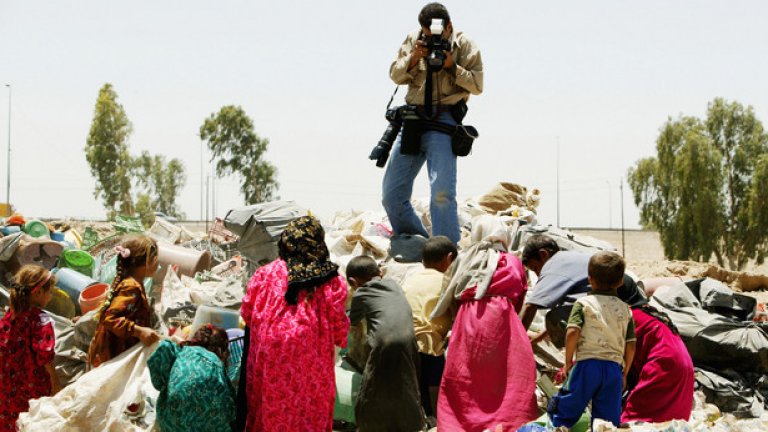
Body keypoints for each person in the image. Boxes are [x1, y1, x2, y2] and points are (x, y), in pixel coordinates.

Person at [382, 2, 483, 244]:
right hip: (413, 119)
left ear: (449, 27)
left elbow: (478, 85)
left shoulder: (465, 44)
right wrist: (415, 56)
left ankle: (444, 250)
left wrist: (452, 66)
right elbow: (395, 75)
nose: (431, 40)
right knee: (391, 194)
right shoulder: (414, 39)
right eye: (427, 36)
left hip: (444, 119)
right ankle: (418, 243)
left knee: (441, 193)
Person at [239, 215, 349, 431]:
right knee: (310, 414)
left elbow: (247, 314)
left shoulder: (264, 274)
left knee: (270, 412)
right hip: (313, 368)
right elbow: (339, 330)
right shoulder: (332, 281)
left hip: (269, 361)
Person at [430, 216, 538, 432]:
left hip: (467, 322)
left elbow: (450, 294)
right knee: (509, 377)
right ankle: (506, 424)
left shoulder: (465, 259)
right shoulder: (512, 261)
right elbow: (520, 296)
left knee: (465, 377)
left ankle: (461, 426)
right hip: (503, 322)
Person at [549, 252, 636, 429]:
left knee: (567, 407)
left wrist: (567, 362)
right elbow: (631, 344)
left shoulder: (583, 303)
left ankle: (560, 427)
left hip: (587, 366)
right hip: (613, 369)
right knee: (607, 420)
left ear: (590, 279)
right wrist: (625, 372)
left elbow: (572, 331)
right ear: (620, 282)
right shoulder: (626, 310)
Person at [347, 256, 425, 432]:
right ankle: (413, 423)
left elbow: (352, 320)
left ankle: (370, 425)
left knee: (373, 386)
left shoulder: (360, 293)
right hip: (410, 342)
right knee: (407, 384)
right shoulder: (395, 285)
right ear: (380, 273)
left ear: (353, 282)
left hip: (385, 344)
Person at [616, 281, 695, 423]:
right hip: (685, 371)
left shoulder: (626, 316)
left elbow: (604, 352)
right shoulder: (648, 313)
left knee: (632, 423)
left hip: (662, 367)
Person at [401, 235, 456, 419]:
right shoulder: (447, 282)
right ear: (449, 259)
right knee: (435, 388)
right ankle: (437, 418)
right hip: (429, 347)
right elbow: (458, 317)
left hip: (404, 341)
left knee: (415, 389)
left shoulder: (409, 280)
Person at [0, 265, 60, 431]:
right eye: (50, 292)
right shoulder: (40, 319)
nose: (51, 296)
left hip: (7, 384)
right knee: (32, 421)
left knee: (10, 421)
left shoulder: (10, 314)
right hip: (32, 385)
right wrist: (56, 383)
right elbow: (45, 355)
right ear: (38, 292)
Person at [88, 236, 161, 368]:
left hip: (118, 351)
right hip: (112, 354)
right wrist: (139, 331)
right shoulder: (131, 286)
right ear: (146, 262)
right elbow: (109, 318)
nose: (158, 263)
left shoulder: (134, 283)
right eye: (156, 259)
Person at [148, 324, 236, 431]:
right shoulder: (217, 365)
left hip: (170, 423)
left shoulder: (182, 352)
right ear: (222, 350)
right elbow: (230, 404)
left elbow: (159, 382)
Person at [519, 235, 597, 347]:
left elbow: (530, 307)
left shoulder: (552, 266)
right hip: (614, 311)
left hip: (593, 318)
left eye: (535, 268)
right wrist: (539, 338)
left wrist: (515, 342)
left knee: (553, 317)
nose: (537, 274)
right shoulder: (573, 257)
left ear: (543, 254)